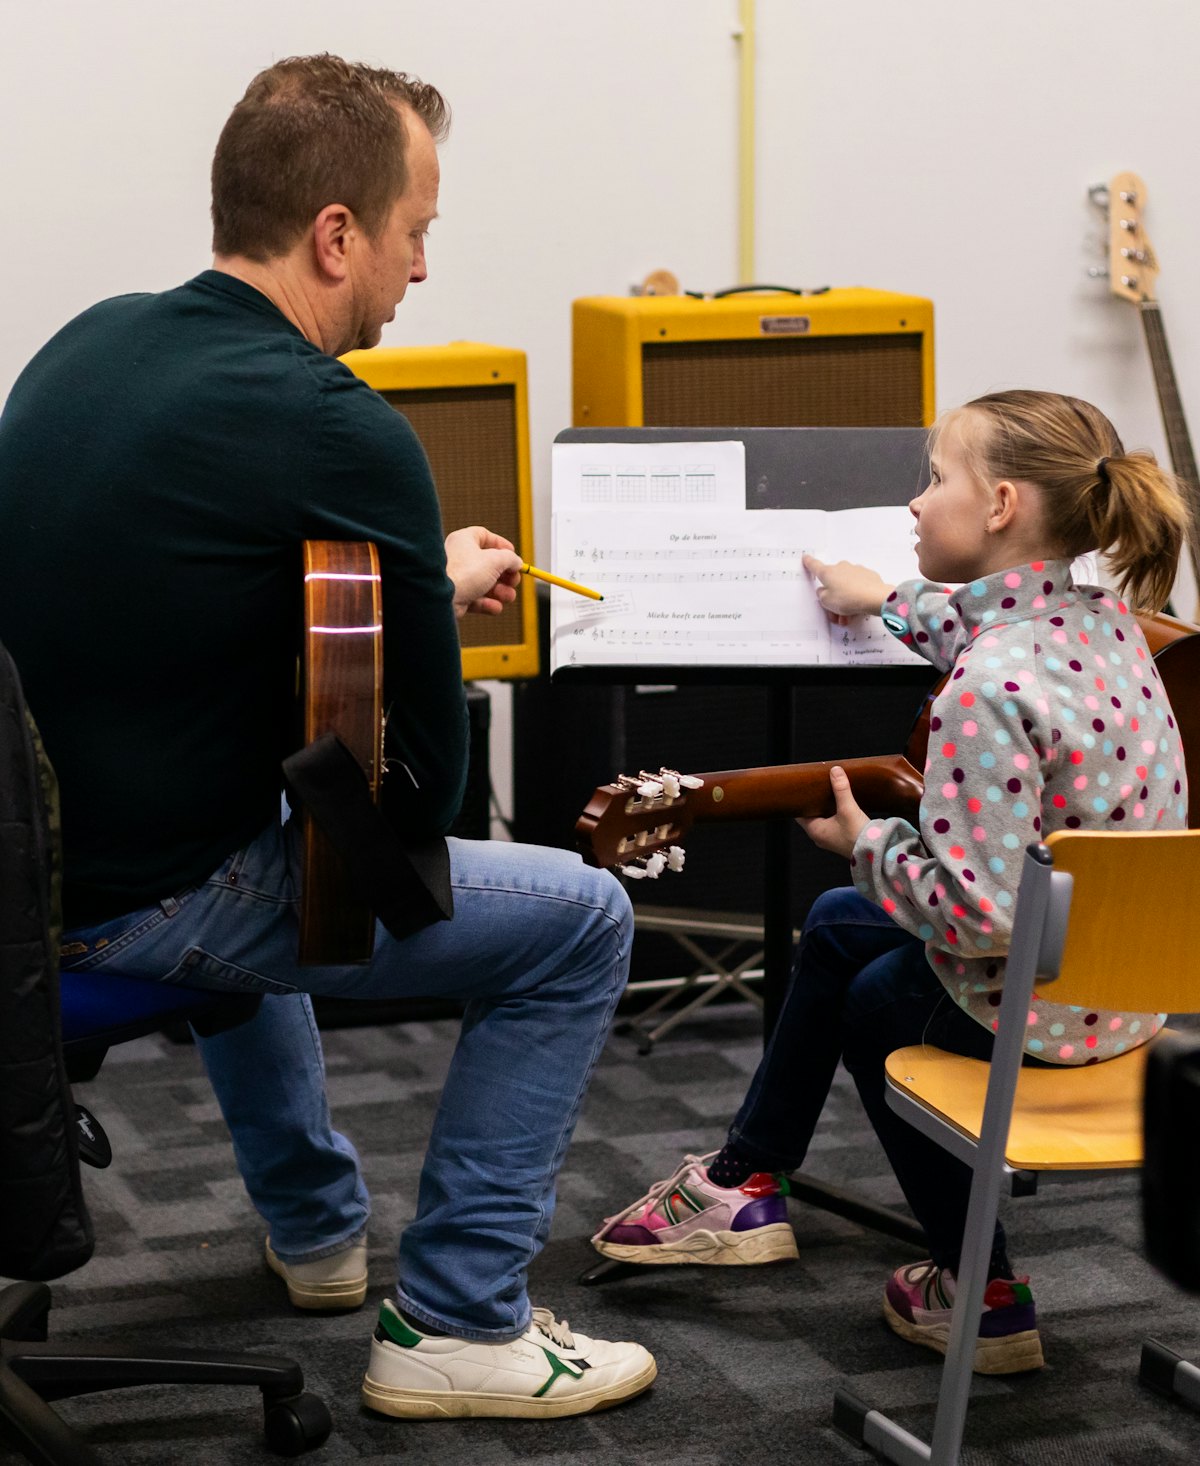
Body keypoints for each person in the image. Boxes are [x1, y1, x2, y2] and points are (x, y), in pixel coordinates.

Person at [0, 54, 657, 1421]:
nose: (422, 268)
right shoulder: (337, 422)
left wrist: (412, 576)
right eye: (418, 229)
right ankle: (463, 1320)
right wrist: (424, 593)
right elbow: (422, 801)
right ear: (337, 234)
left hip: (33, 870)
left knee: (276, 821)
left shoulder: (89, 341)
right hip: (122, 906)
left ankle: (314, 1233)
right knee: (576, 914)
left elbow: (165, 589)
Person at [593, 389, 1189, 1375]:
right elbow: (987, 629)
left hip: (1038, 1011)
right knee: (837, 923)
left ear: (999, 503)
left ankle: (982, 1290)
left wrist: (865, 839)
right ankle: (747, 1180)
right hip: (1127, 998)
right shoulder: (1110, 624)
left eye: (934, 477)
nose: (914, 503)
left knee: (875, 996)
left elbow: (982, 913)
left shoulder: (985, 692)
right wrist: (882, 601)